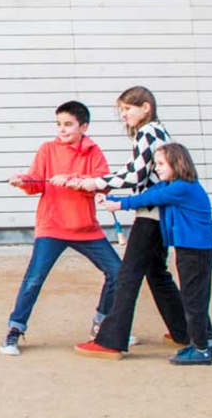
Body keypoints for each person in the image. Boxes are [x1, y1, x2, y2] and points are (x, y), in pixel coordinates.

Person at [71, 86, 188, 359]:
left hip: (151, 214)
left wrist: (95, 182)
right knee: (157, 274)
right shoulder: (157, 131)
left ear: (146, 107)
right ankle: (188, 331)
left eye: (128, 109)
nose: (123, 115)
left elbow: (135, 175)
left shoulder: (148, 133)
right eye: (121, 110)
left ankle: (111, 340)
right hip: (161, 212)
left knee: (128, 276)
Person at [0, 101, 117, 356]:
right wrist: (21, 181)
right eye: (59, 124)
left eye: (68, 125)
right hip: (51, 227)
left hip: (86, 229)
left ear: (83, 126)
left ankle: (102, 324)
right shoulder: (47, 149)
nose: (62, 130)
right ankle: (14, 331)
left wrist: (73, 179)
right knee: (34, 279)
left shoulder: (94, 152)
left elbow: (103, 183)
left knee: (118, 272)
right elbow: (35, 182)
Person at [97, 143, 212, 365]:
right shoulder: (172, 185)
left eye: (161, 164)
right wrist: (112, 198)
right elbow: (151, 192)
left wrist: (119, 205)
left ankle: (201, 349)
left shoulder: (182, 187)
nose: (156, 169)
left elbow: (147, 200)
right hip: (190, 249)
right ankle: (207, 344)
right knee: (194, 296)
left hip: (195, 252)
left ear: (177, 163)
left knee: (193, 299)